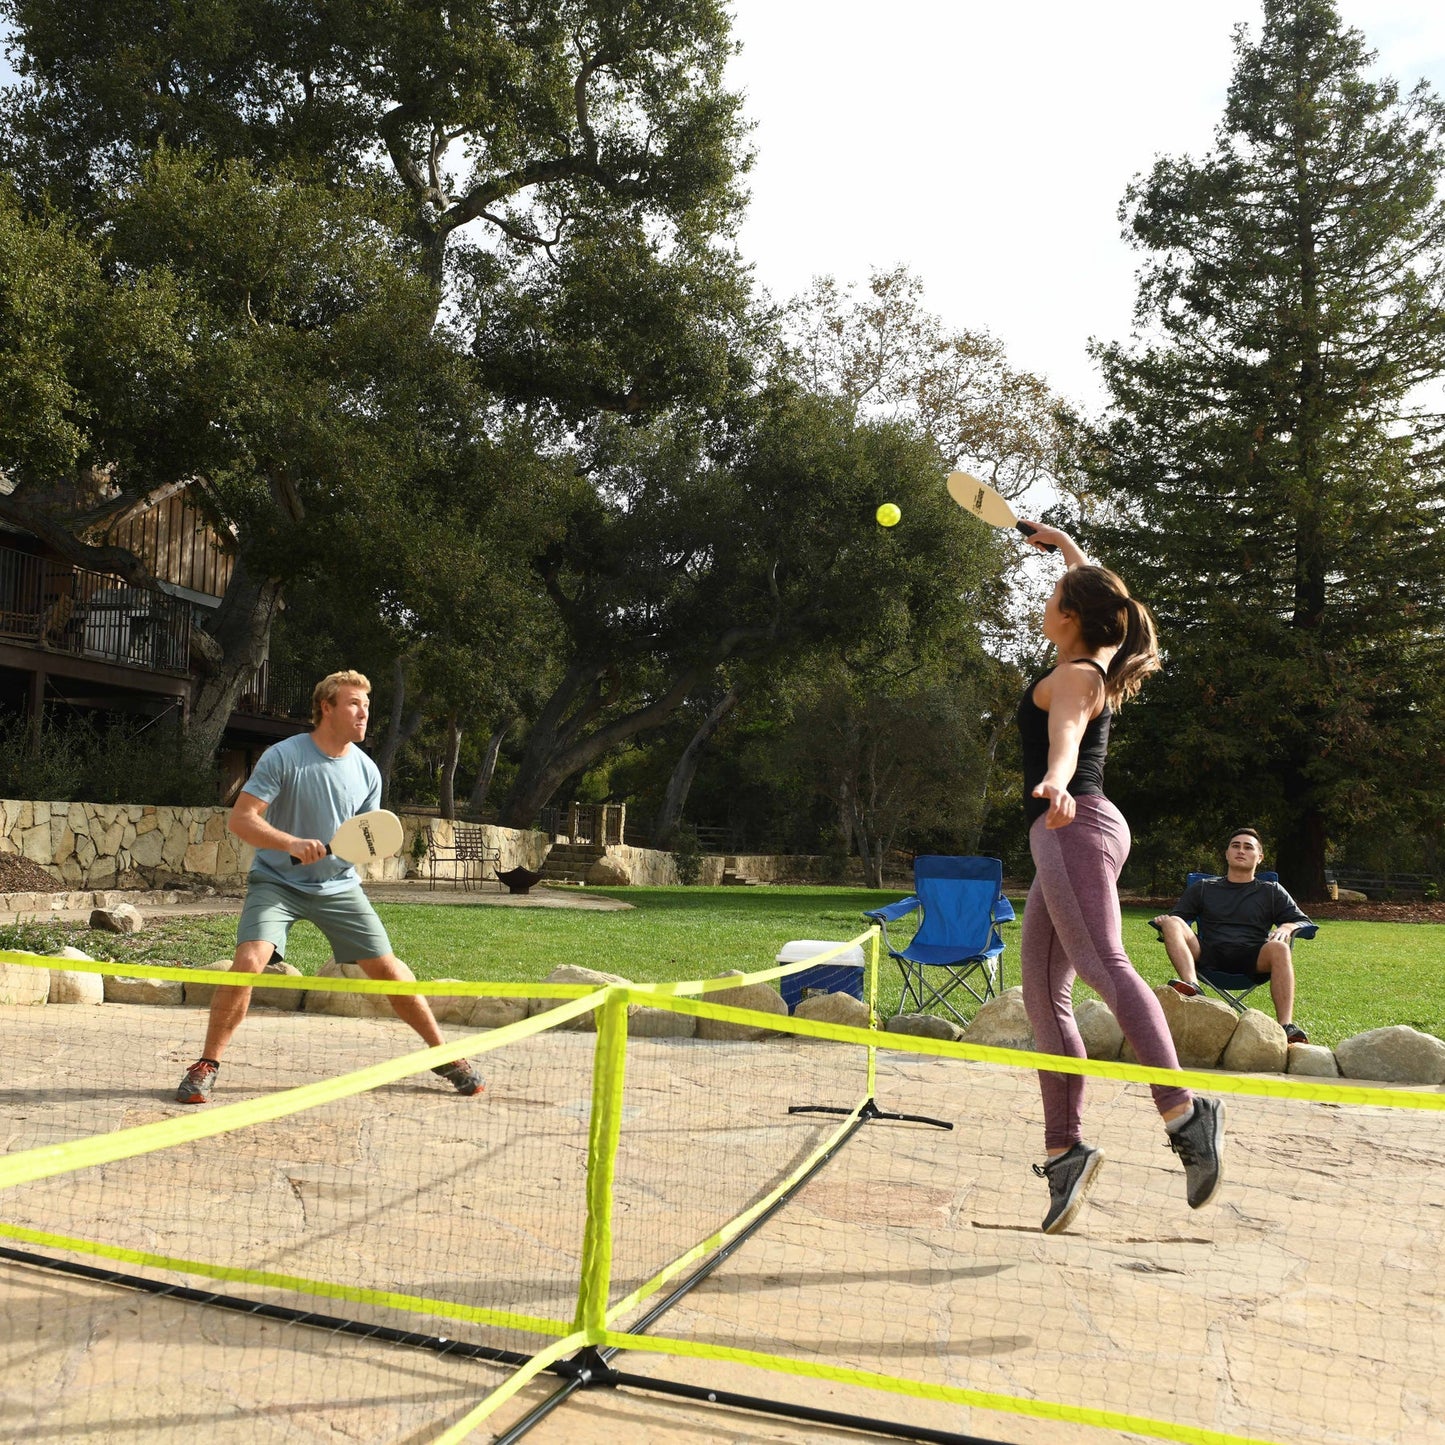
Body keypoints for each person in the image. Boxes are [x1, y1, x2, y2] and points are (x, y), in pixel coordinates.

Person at [1015, 522, 1224, 1235]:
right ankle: (1064, 1149)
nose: (1044, 605)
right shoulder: (1098, 650)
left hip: (1072, 821)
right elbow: (1111, 600)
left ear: (1069, 617)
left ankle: (1185, 1113)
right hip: (1071, 831)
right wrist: (1066, 545)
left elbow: (1066, 735)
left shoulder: (1075, 674)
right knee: (1043, 996)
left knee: (1106, 965)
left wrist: (1053, 777)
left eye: (1052, 596)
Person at [176, 670, 483, 1104]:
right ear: (327, 707)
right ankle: (206, 1064)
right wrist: (291, 844)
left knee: (389, 971)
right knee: (247, 961)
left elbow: (364, 838)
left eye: (367, 707)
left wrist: (342, 854)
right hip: (276, 882)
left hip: (338, 887)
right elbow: (241, 819)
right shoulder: (283, 757)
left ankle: (444, 1054)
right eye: (355, 704)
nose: (363, 714)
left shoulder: (367, 771)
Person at [1152, 828, 1313, 1044]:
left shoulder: (1271, 890)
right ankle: (1191, 985)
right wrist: (1166, 921)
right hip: (1208, 955)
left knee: (1281, 948)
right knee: (1172, 922)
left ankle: (1286, 1026)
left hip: (1253, 958)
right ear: (1227, 853)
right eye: (1235, 846)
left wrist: (1287, 927)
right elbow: (1179, 919)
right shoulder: (1203, 888)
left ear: (1260, 857)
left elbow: (1306, 923)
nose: (1241, 850)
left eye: (1248, 847)